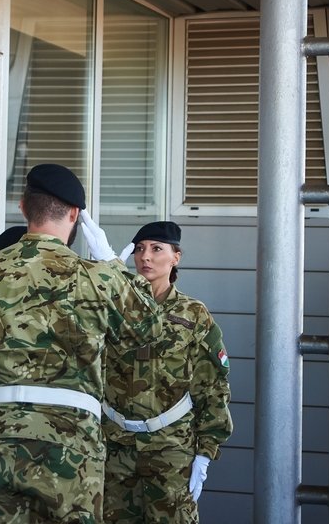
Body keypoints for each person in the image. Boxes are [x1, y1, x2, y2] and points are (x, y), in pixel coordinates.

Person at [0, 163, 166, 523]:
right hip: (72, 443)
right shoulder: (97, 278)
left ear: (23, 207)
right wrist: (112, 264)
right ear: (75, 214)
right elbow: (152, 332)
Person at [101, 221, 232, 523]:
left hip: (171, 448)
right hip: (116, 446)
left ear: (176, 257)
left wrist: (205, 450)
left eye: (156, 249)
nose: (145, 256)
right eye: (139, 249)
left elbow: (212, 384)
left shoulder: (193, 314)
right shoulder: (113, 308)